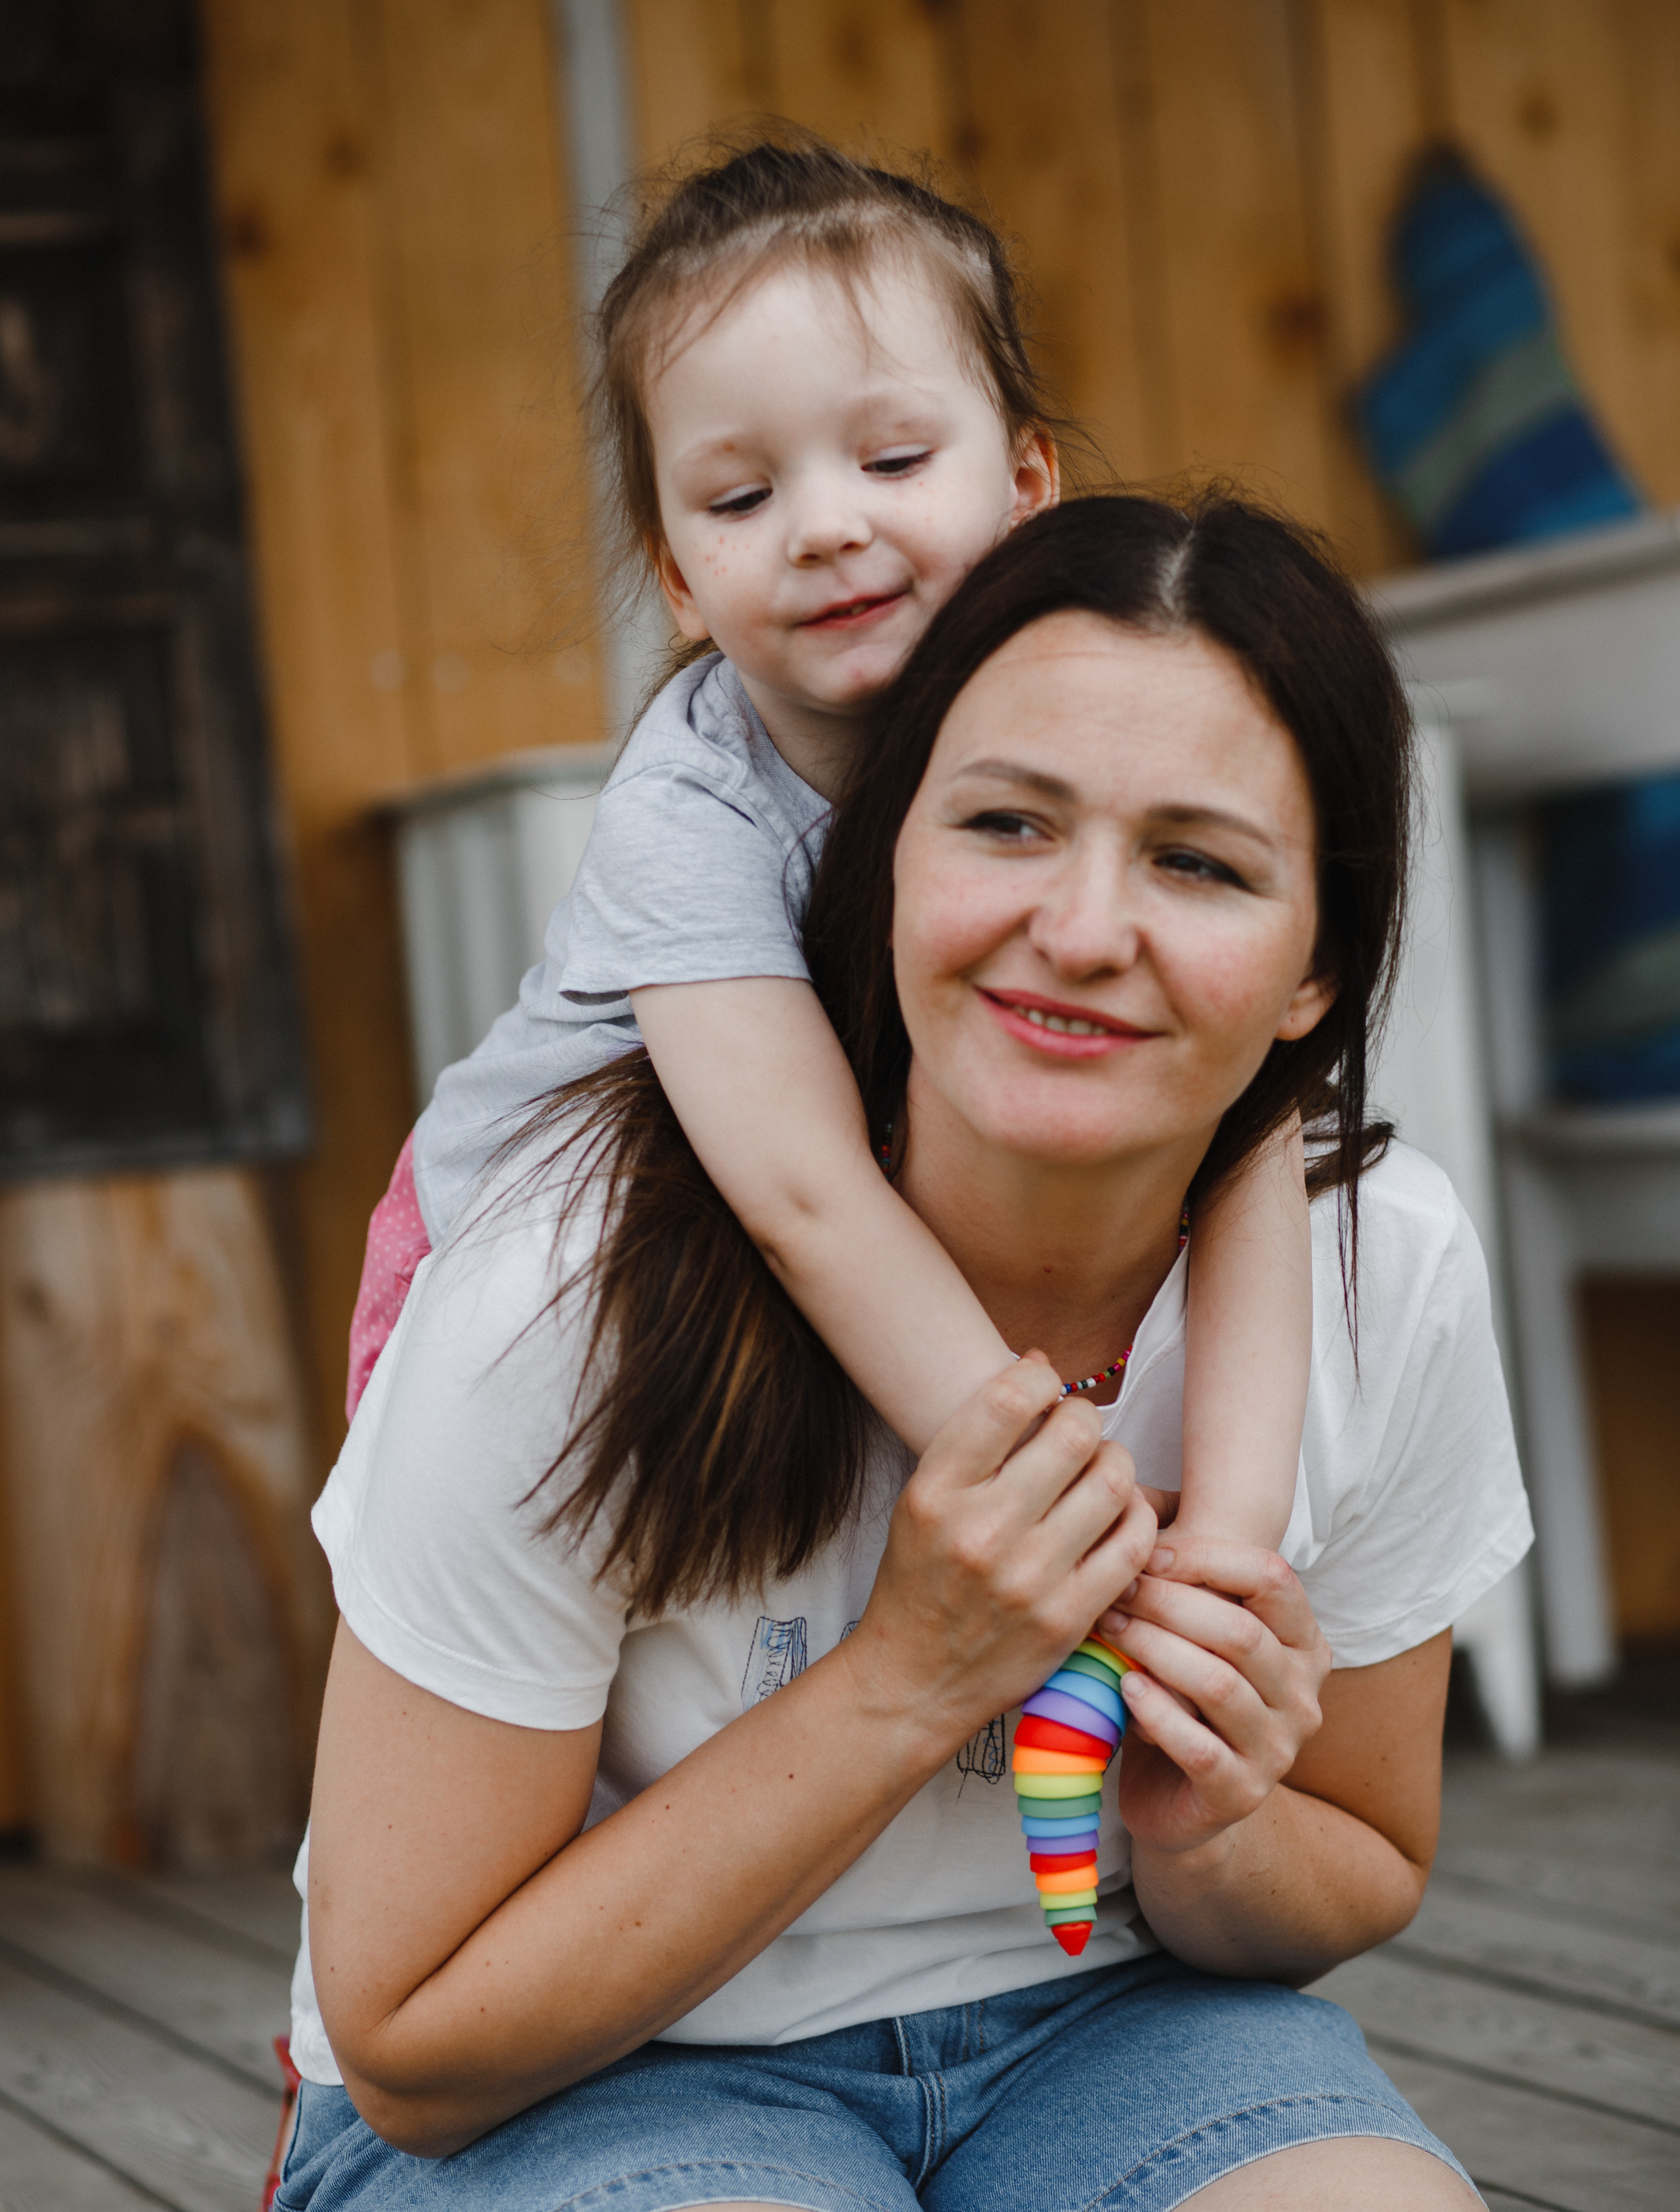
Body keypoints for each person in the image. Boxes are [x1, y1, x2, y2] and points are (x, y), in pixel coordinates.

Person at [280, 493, 1532, 2211]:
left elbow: (1367, 1865)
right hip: (585, 2082)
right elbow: (415, 2042)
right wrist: (912, 1678)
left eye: (1199, 863)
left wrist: (1211, 1822)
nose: (1085, 929)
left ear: (1318, 965)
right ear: (884, 860)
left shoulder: (1384, 1271)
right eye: (1009, 824)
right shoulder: (574, 1286)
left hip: (1107, 2025)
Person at [347, 135, 1313, 1573]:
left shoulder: (1064, 724)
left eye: (893, 458)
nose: (825, 527)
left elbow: (1242, 1116)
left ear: (1025, 480)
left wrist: (1230, 1540)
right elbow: (805, 1196)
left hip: (807, 1273)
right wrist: (1066, 1518)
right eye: (739, 501)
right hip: (529, 1286)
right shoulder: (691, 812)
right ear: (676, 573)